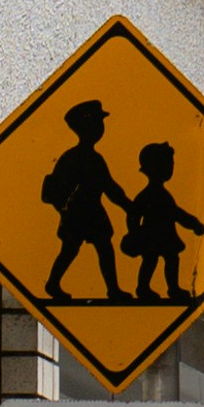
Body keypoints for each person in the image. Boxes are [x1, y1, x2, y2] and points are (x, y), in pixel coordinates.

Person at [40, 102, 129, 303]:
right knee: (71, 249)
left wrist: (128, 206)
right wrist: (64, 211)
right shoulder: (72, 157)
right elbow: (58, 188)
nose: (100, 128)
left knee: (103, 247)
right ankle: (53, 283)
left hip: (93, 212)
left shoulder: (94, 157)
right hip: (77, 213)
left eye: (100, 123)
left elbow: (110, 187)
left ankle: (113, 289)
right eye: (96, 123)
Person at [125, 139, 192, 303]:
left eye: (171, 163)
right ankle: (143, 287)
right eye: (168, 164)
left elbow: (176, 213)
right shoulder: (149, 194)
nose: (171, 168)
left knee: (171, 259)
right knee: (151, 260)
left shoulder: (161, 194)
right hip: (152, 236)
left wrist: (194, 223)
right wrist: (134, 232)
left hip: (165, 235)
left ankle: (173, 288)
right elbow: (134, 214)